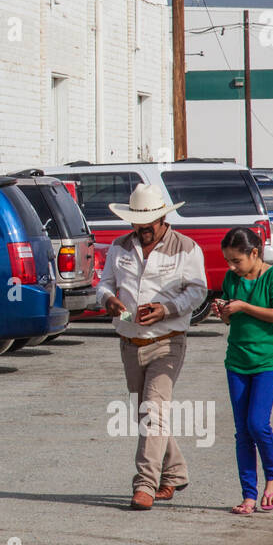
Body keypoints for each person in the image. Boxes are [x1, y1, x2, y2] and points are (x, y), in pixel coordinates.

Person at [95, 183, 208, 511]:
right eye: (136, 226)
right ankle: (174, 471)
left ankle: (145, 483)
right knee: (147, 414)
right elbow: (104, 284)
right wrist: (109, 299)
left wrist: (166, 309)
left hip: (167, 343)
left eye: (147, 227)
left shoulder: (186, 248)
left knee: (152, 412)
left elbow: (198, 291)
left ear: (162, 220)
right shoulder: (119, 247)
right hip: (130, 342)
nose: (141, 232)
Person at [212, 226, 273, 515]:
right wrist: (223, 311)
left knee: (258, 424)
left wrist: (243, 306)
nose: (231, 267)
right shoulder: (232, 278)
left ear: (254, 253)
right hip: (236, 362)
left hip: (266, 363)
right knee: (242, 432)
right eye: (228, 261)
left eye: (236, 260)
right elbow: (230, 320)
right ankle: (248, 495)